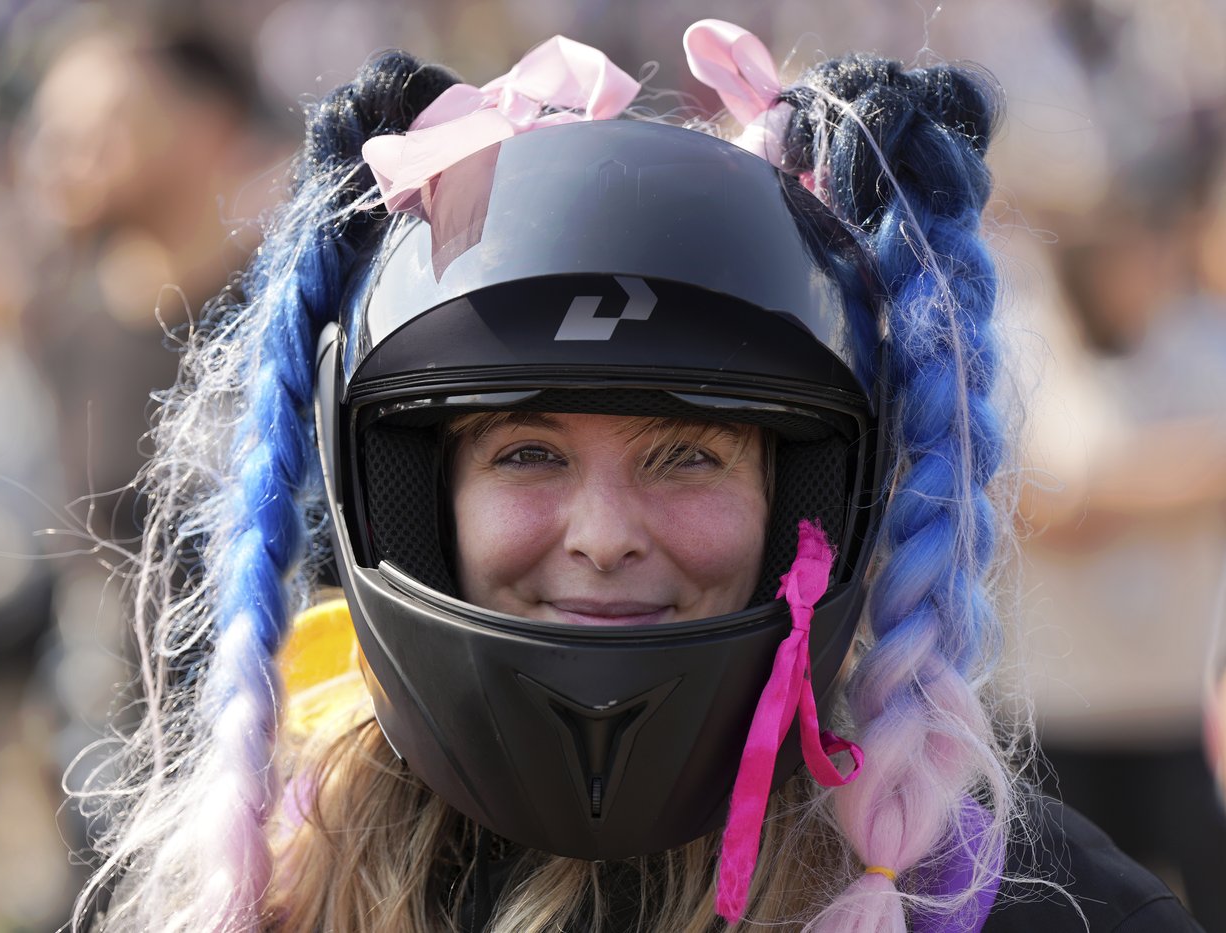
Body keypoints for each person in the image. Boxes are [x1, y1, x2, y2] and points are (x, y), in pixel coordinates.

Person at [70, 20, 1201, 932]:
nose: (602, 533)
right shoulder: (274, 891)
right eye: (526, 453)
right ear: (402, 496)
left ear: (815, 500)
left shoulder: (1035, 909)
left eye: (687, 456)